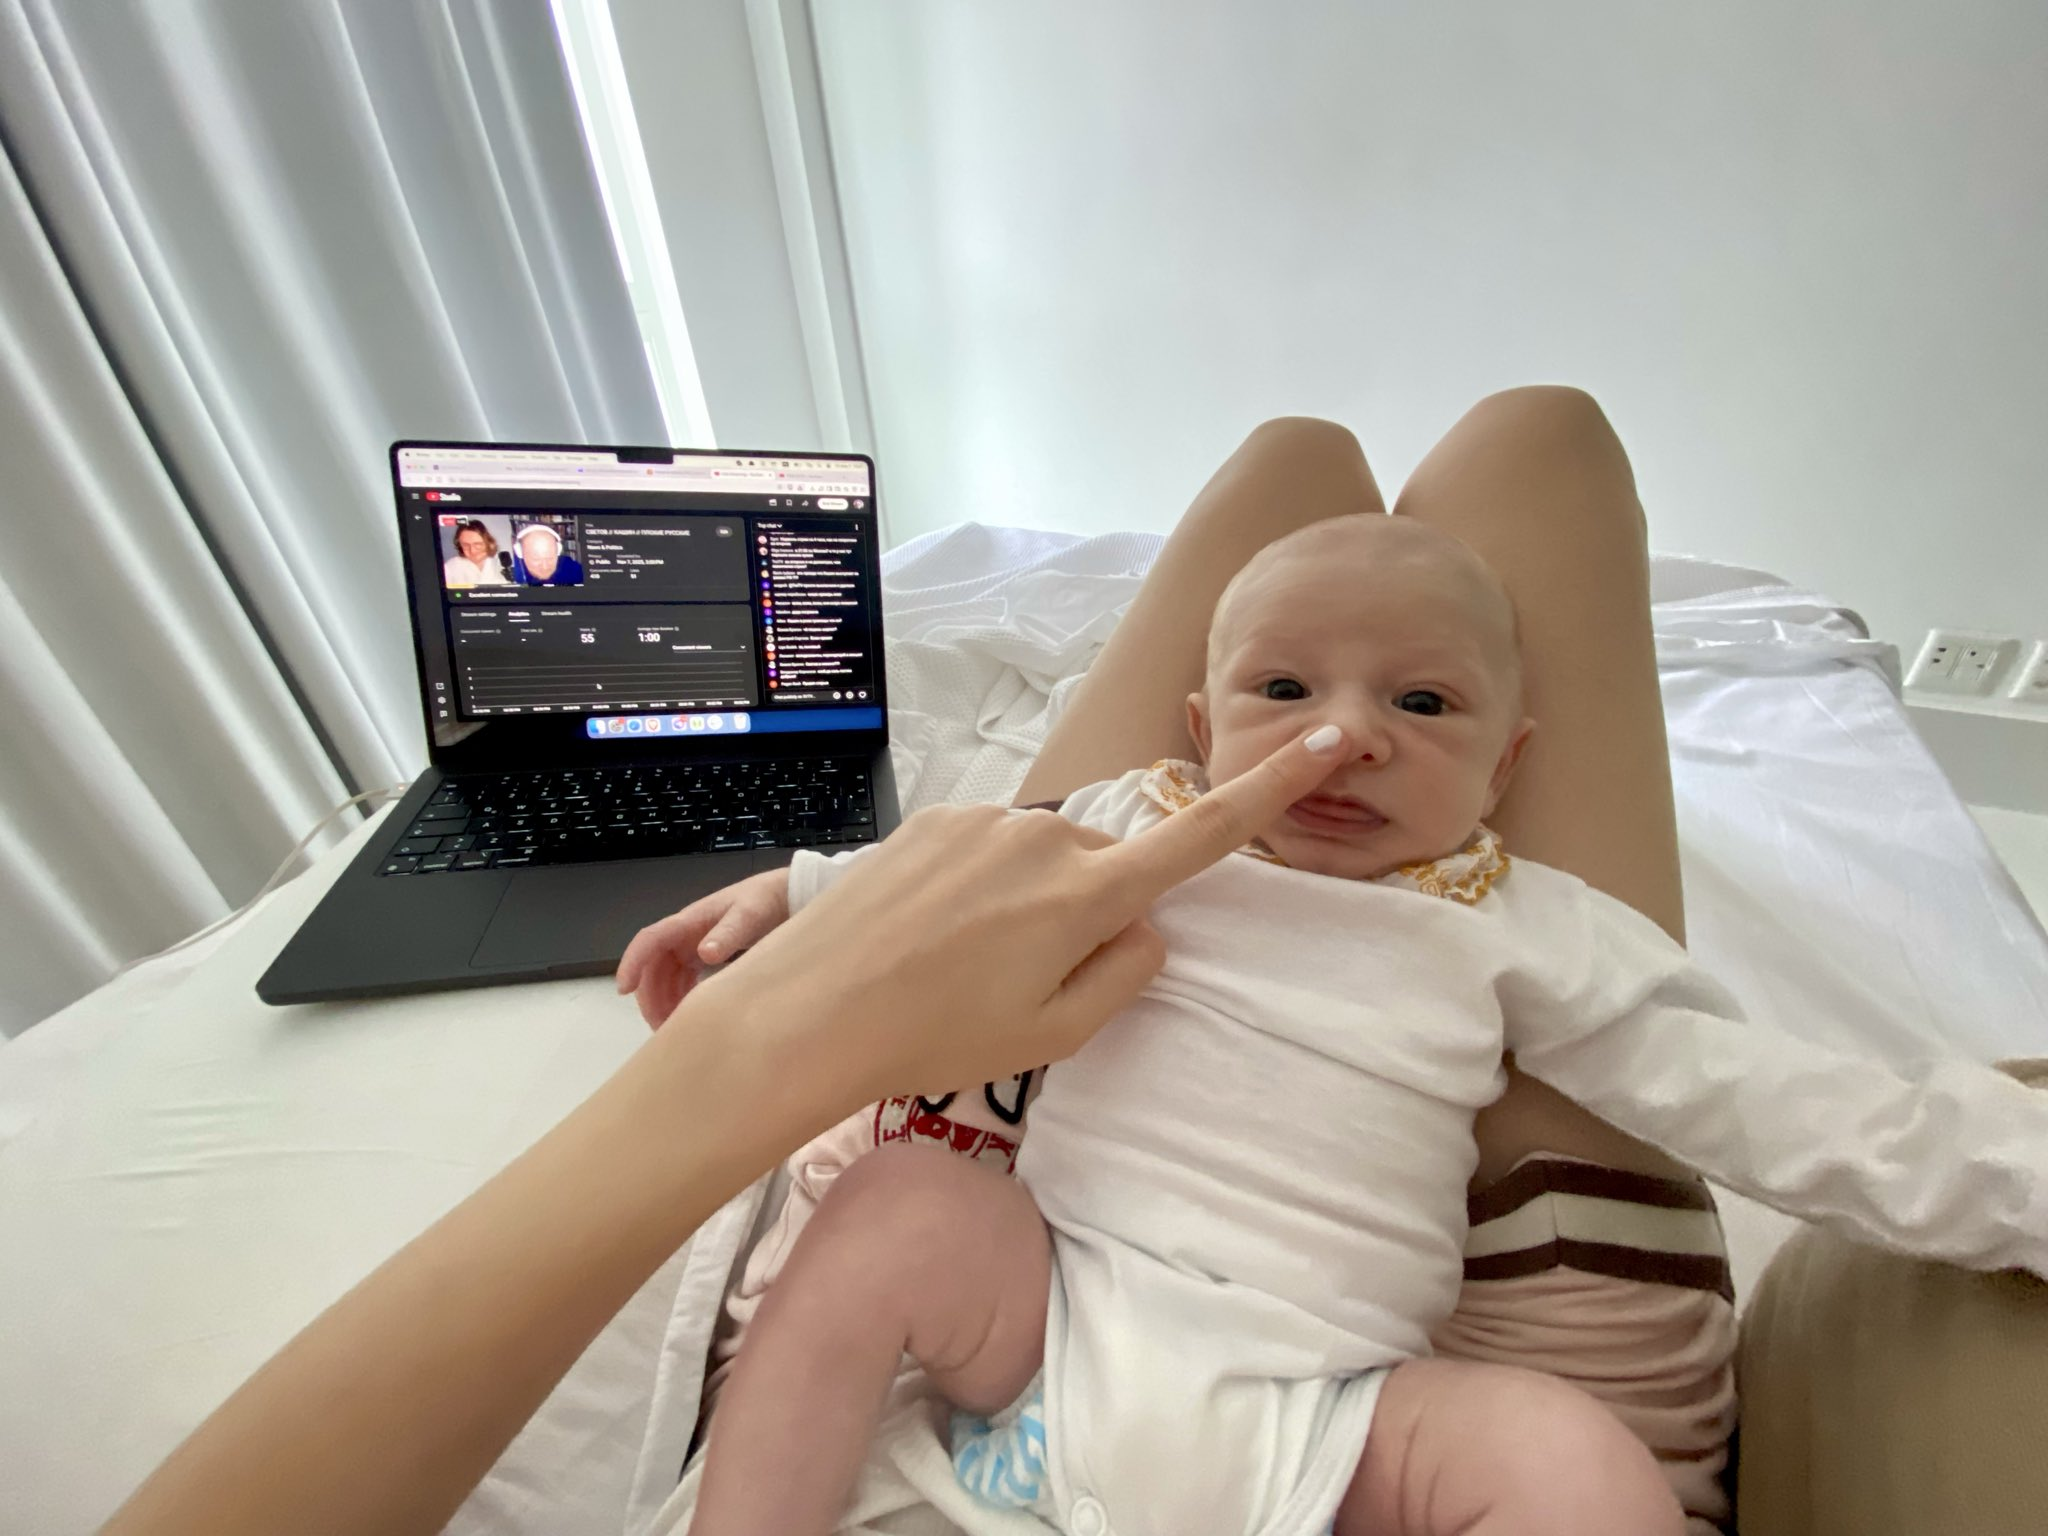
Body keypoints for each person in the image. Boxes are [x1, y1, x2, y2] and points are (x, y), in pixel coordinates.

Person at [647, 513, 2048, 1536]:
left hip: (1326, 1411)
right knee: (901, 1202)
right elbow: (958, 882)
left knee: (1565, 1458)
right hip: (1048, 1321)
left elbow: (1762, 1099)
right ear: (1199, 728)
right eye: (1283, 690)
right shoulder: (1138, 823)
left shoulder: (1516, 920)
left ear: (1503, 768)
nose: (1346, 735)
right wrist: (801, 895)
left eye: (1421, 703)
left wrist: (2014, 1179)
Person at [101, 728, 1350, 1536]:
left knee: (1296, 486)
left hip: (965, 1217)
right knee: (1356, 465)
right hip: (1186, 1338)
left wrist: (799, 920)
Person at [512, 522, 584, 585]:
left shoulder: (569, 567)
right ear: (520, 553)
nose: (545, 567)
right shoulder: (513, 572)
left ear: (558, 551)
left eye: (550, 558)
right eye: (536, 559)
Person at [440, 519, 506, 588]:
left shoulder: (496, 563)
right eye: (466, 545)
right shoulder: (450, 567)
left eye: (477, 544)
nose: (472, 551)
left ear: (488, 543)